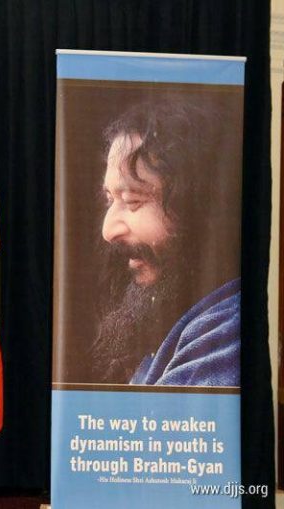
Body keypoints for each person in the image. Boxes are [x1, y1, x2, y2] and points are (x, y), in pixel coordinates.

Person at [90, 99, 241, 387]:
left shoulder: (227, 337)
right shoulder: (185, 323)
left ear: (202, 206)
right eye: (110, 199)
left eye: (134, 200)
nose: (108, 230)